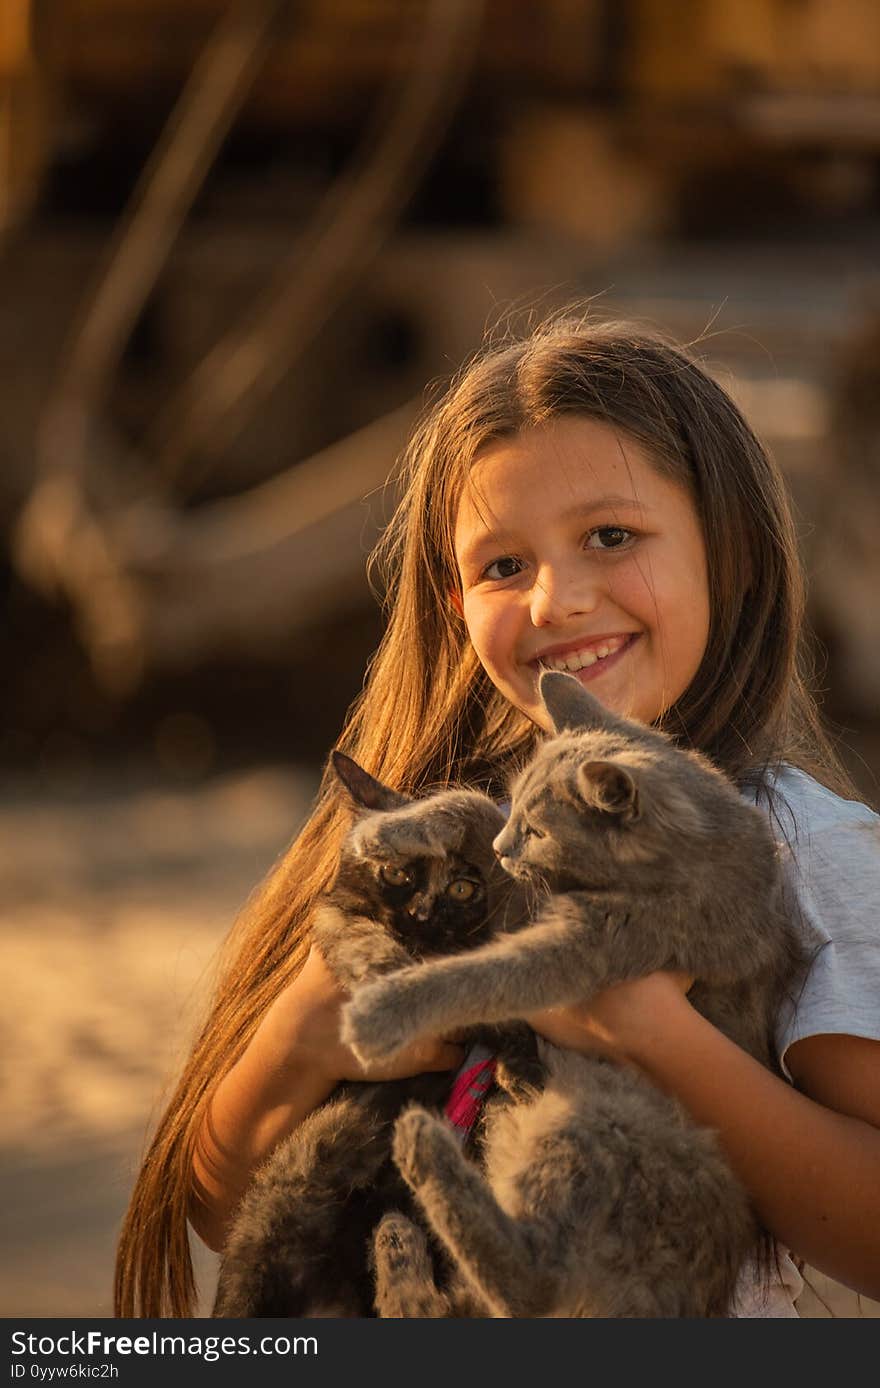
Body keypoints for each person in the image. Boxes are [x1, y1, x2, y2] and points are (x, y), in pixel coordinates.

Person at [114, 315, 880, 1318]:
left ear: (727, 552)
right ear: (455, 601)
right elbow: (223, 1209)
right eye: (503, 566)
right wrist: (306, 1029)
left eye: (612, 537)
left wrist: (649, 1029)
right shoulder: (433, 846)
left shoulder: (804, 851)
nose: (557, 599)